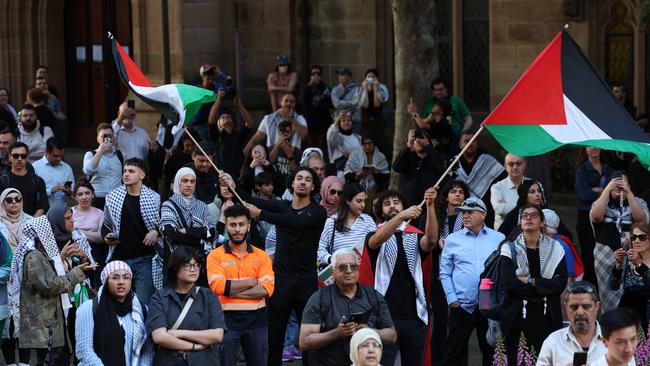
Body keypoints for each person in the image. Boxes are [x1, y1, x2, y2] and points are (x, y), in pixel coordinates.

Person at [219, 167, 327, 366]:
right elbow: (251, 201)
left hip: (307, 283)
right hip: (281, 281)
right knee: (274, 338)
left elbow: (294, 222)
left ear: (313, 187)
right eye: (299, 178)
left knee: (309, 340)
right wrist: (232, 184)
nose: (303, 182)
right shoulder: (282, 206)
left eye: (308, 179)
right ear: (292, 184)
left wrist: (260, 214)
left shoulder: (318, 212)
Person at [361, 188, 438, 365]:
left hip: (416, 316)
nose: (392, 206)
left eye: (396, 203)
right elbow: (375, 241)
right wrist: (401, 216)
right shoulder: (375, 234)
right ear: (380, 211)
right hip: (384, 318)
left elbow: (431, 241)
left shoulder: (415, 235)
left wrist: (431, 205)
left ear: (403, 205)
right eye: (387, 204)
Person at [10, 216, 96, 365]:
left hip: (47, 325)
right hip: (41, 330)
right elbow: (51, 286)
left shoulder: (40, 255)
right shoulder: (34, 257)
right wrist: (76, 273)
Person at [300, 248, 396, 365]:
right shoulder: (318, 298)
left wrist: (369, 331)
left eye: (353, 267)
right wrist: (337, 333)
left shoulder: (374, 296)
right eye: (342, 267)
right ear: (332, 272)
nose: (349, 271)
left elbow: (391, 336)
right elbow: (304, 342)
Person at [207, 204, 275, 366]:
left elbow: (267, 289)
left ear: (249, 226)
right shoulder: (214, 256)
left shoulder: (262, 256)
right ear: (227, 227)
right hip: (226, 320)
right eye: (232, 225)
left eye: (241, 224)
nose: (237, 229)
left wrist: (230, 290)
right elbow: (218, 287)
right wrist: (253, 281)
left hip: (258, 320)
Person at [439, 197, 503, 365]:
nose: (464, 215)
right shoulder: (452, 239)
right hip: (461, 305)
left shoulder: (499, 238)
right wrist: (452, 300)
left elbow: (504, 271)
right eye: (463, 212)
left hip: (490, 306)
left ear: (483, 215)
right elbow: (444, 273)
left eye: (470, 212)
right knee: (453, 354)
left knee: (492, 352)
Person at [498, 205, 567, 363]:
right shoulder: (509, 249)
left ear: (542, 222)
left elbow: (560, 284)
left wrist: (532, 281)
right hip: (516, 318)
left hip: (546, 318)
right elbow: (509, 284)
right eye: (525, 216)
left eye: (533, 215)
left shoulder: (556, 249)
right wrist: (542, 288)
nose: (528, 218)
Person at [147, 246, 226, 364]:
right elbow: (159, 337)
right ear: (175, 267)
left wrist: (178, 333)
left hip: (203, 361)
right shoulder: (159, 297)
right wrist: (194, 346)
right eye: (187, 265)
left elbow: (217, 335)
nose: (193, 269)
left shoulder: (208, 296)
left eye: (196, 265)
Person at [102, 158, 161, 304]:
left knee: (142, 304)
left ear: (142, 175)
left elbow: (164, 224)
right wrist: (107, 236)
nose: (126, 174)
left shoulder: (154, 198)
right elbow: (106, 225)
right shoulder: (113, 197)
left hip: (145, 259)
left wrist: (156, 232)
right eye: (125, 171)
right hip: (120, 258)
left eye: (131, 171)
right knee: (118, 302)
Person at [75, 260, 153, 365]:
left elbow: (146, 348)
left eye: (126, 277)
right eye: (115, 277)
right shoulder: (88, 308)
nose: (121, 282)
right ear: (106, 281)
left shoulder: (141, 310)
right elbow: (84, 350)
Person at [591, 171, 649, 311]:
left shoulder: (638, 201)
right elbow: (596, 217)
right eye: (615, 183)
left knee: (633, 292)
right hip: (605, 254)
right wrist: (607, 190)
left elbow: (642, 220)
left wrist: (628, 193)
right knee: (608, 295)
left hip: (633, 254)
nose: (619, 185)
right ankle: (611, 328)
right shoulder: (601, 202)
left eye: (623, 182)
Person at [160, 167, 215, 286]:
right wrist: (200, 236)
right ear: (178, 182)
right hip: (177, 264)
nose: (189, 184)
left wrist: (186, 231)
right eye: (185, 181)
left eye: (192, 181)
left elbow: (212, 232)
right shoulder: (168, 205)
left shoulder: (202, 206)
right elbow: (171, 235)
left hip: (199, 264)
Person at [537, 281, 606, 365]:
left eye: (586, 307)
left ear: (597, 307)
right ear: (565, 308)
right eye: (574, 307)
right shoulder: (553, 342)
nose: (580, 312)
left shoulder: (613, 341)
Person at [575, 147, 613, 285]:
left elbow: (614, 193)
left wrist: (597, 191)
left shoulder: (609, 170)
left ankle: (604, 283)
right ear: (585, 149)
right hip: (585, 215)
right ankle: (589, 286)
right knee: (588, 252)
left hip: (605, 215)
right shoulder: (581, 170)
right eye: (590, 145)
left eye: (596, 145)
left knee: (605, 250)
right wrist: (604, 192)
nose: (594, 148)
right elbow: (584, 195)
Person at [453, 130, 505, 228]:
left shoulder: (488, 161)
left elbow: (503, 179)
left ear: (477, 144)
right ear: (460, 145)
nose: (470, 143)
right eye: (466, 141)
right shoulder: (453, 163)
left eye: (473, 140)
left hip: (485, 210)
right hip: (460, 211)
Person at [317, 183, 376, 266]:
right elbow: (319, 250)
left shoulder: (368, 221)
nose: (363, 205)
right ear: (348, 201)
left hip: (363, 274)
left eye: (364, 201)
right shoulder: (332, 222)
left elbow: (376, 246)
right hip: (339, 274)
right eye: (359, 201)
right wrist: (332, 259)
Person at [609, 222, 650, 330]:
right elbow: (613, 286)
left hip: (646, 317)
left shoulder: (635, 260)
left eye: (642, 237)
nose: (636, 241)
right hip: (626, 316)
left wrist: (639, 265)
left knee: (643, 346)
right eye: (634, 237)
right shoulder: (629, 259)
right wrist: (618, 266)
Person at [393, 128, 445, 206]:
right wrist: (408, 145)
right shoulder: (407, 157)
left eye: (422, 138)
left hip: (428, 204)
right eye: (416, 139)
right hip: (408, 203)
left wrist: (427, 146)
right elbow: (396, 167)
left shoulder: (434, 157)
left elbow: (441, 168)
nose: (419, 141)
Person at [207, 95, 255, 180]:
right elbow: (211, 119)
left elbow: (250, 123)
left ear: (233, 122)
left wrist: (240, 106)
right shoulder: (215, 136)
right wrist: (218, 99)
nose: (225, 118)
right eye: (222, 117)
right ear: (218, 123)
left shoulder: (238, 136)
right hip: (220, 177)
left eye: (228, 117)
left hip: (236, 177)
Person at [0, 142, 49, 217]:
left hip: (31, 224)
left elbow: (41, 207)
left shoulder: (38, 181)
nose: (19, 159)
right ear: (10, 157)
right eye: (16, 156)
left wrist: (29, 224)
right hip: (6, 224)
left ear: (27, 158)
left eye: (23, 156)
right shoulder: (2, 180)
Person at [83, 123, 124, 209]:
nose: (107, 139)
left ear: (113, 138)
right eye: (103, 137)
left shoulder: (119, 155)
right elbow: (88, 171)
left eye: (109, 136)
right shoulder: (90, 154)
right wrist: (100, 151)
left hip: (116, 199)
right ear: (98, 139)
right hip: (97, 199)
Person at [344, 132, 389, 208]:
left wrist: (376, 173)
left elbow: (386, 176)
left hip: (375, 190)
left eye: (369, 143)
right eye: (365, 144)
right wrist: (357, 175)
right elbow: (347, 174)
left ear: (374, 144)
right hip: (358, 190)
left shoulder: (380, 157)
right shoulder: (355, 155)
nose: (367, 146)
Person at [32, 137, 74, 206]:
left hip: (61, 210)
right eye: (55, 156)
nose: (59, 159)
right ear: (46, 151)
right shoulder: (35, 167)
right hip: (41, 210)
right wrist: (51, 190)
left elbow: (72, 192)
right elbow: (32, 192)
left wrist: (68, 191)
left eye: (61, 156)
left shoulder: (67, 168)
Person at [491, 154, 528, 230]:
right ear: (505, 167)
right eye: (511, 164)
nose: (515, 167)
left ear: (524, 165)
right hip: (503, 234)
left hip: (528, 233)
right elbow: (500, 209)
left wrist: (508, 204)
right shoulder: (497, 187)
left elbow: (539, 209)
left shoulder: (534, 185)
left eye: (518, 163)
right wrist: (526, 204)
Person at [301, 64, 332, 151]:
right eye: (313, 74)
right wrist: (310, 85)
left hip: (323, 122)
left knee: (321, 145)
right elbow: (303, 100)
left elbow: (330, 102)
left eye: (318, 74)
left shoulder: (325, 88)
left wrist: (323, 97)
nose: (315, 76)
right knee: (311, 146)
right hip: (310, 122)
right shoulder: (306, 88)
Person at [360, 68, 389, 153]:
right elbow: (365, 105)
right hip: (365, 122)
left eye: (373, 77)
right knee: (366, 144)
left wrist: (376, 89)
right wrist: (365, 89)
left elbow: (377, 104)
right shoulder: (361, 89)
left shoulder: (382, 88)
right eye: (369, 76)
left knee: (379, 145)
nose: (371, 78)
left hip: (378, 122)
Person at [327, 110, 361, 176]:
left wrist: (351, 156)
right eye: (343, 120)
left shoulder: (358, 138)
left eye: (349, 120)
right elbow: (330, 136)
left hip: (355, 173)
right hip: (339, 173)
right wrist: (337, 120)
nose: (346, 122)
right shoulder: (336, 136)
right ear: (339, 123)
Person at [331, 66, 364, 132]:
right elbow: (336, 104)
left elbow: (357, 104)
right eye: (339, 75)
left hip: (354, 120)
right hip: (340, 120)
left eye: (342, 74)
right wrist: (350, 103)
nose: (339, 76)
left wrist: (342, 102)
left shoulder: (357, 89)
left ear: (348, 77)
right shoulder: (335, 89)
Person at [0, 188, 33, 252]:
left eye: (18, 199)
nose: (14, 202)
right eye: (9, 200)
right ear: (2, 203)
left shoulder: (31, 220)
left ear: (21, 202)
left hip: (28, 260)